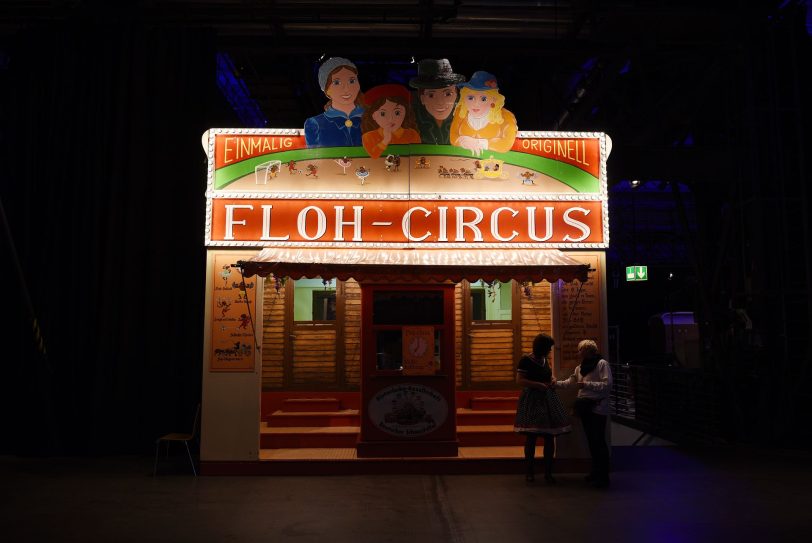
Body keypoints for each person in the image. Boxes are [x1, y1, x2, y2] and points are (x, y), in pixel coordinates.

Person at [513, 333, 572, 484]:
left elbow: (548, 375)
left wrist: (552, 380)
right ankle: (529, 472)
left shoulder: (545, 360)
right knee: (531, 437)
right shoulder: (526, 360)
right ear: (541, 347)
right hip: (532, 400)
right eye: (548, 348)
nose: (549, 351)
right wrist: (537, 385)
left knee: (549, 436)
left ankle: (548, 472)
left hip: (547, 399)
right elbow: (520, 380)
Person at [554, 339, 613, 488]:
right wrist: (554, 384)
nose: (578, 352)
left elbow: (607, 385)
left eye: (580, 350)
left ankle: (603, 476)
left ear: (588, 351)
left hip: (598, 408)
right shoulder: (580, 368)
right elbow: (569, 382)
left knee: (599, 442)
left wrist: (586, 384)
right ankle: (595, 472)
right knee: (592, 442)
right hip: (585, 408)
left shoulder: (601, 364)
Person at [449, 70, 518, 156]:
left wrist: (479, 143)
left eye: (483, 99)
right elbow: (453, 136)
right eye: (470, 98)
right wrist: (462, 140)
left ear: (494, 99)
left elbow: (506, 144)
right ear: (464, 98)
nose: (475, 104)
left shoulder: (506, 116)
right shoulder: (461, 113)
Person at [304, 57, 364, 148]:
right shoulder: (314, 124)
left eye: (352, 81)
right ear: (326, 90)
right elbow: (314, 160)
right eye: (336, 82)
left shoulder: (373, 118)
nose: (346, 89)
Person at [408, 58, 467, 145]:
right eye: (431, 95)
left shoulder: (465, 118)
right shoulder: (413, 121)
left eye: (448, 94)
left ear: (456, 95)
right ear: (422, 98)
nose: (440, 102)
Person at [360, 84, 420, 160]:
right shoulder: (368, 137)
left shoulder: (412, 135)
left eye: (397, 113)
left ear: (405, 113)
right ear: (373, 116)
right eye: (383, 114)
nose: (391, 119)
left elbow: (416, 156)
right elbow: (373, 155)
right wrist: (385, 140)